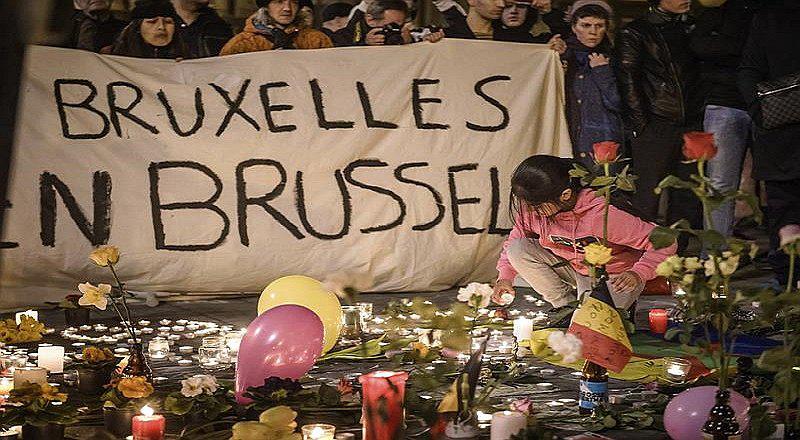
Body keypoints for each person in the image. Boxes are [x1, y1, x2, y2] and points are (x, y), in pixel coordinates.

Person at [492, 155, 676, 311]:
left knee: (591, 328)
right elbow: (516, 240)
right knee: (518, 248)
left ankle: (590, 312)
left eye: (537, 206)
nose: (530, 211)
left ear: (565, 195)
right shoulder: (533, 210)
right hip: (575, 269)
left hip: (615, 277)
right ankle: (565, 308)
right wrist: (505, 278)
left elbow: (666, 241)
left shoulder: (601, 214)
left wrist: (638, 273)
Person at [616, 0, 703, 238]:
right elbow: (628, 80)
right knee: (648, 193)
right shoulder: (635, 31)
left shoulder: (693, 27)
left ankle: (680, 255)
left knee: (688, 191)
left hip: (693, 121)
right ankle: (640, 251)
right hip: (656, 121)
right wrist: (641, 124)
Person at [738, 0, 800, 288]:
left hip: (778, 134)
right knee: (784, 210)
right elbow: (749, 72)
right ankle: (787, 279)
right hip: (781, 136)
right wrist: (762, 111)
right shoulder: (770, 17)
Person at [690, 0, 759, 237]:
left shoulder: (773, 11)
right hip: (725, 102)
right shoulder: (716, 12)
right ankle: (714, 258)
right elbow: (699, 45)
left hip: (769, 100)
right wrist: (750, 47)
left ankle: (784, 257)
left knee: (781, 182)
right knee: (719, 183)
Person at [560, 0, 621, 168]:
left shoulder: (614, 60)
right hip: (566, 137)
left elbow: (618, 103)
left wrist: (602, 72)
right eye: (586, 25)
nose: (593, 32)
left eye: (599, 26)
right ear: (574, 27)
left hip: (602, 140)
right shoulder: (563, 57)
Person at [219, 0, 332, 54]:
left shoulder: (316, 40)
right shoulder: (243, 43)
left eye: (293, 2)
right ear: (266, 7)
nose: (287, 8)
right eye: (279, 2)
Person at [331, 0, 444, 46]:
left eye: (400, 25)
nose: (395, 30)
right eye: (391, 25)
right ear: (370, 19)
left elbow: (460, 32)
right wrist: (364, 44)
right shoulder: (343, 37)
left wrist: (414, 44)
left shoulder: (410, 35)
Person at [110, 0, 188, 59]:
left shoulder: (189, 55)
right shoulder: (111, 55)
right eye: (152, 22)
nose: (161, 27)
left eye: (168, 22)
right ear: (137, 27)